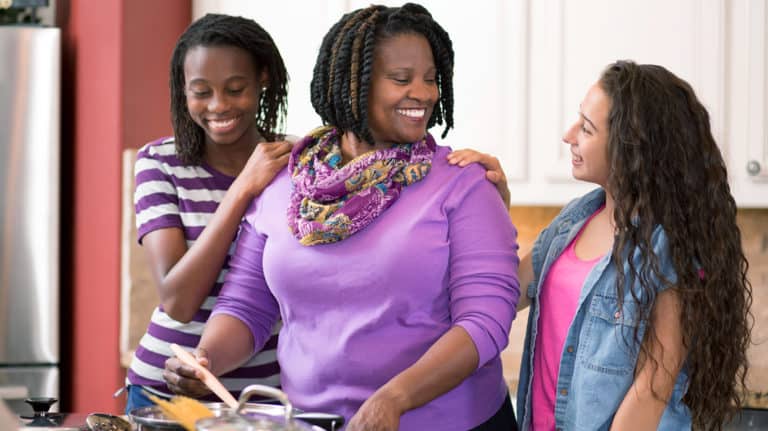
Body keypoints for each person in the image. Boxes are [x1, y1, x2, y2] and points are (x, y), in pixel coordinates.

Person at [163, 4, 520, 430]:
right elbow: (246, 307)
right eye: (402, 79)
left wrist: (394, 399)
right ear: (353, 85)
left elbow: (486, 322)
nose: (424, 94)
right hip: (315, 421)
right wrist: (205, 360)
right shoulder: (283, 186)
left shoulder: (465, 185)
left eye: (431, 79)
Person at [449, 60, 753, 430]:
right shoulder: (576, 218)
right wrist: (490, 207)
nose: (569, 135)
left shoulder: (670, 244)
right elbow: (504, 294)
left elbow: (653, 387)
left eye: (587, 129)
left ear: (633, 148)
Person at [124, 13, 293, 413]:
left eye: (236, 89)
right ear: (183, 91)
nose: (218, 106)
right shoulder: (159, 163)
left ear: (263, 78)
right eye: (201, 92)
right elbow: (178, 300)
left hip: (268, 397)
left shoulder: (296, 161)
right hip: (171, 392)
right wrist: (242, 189)